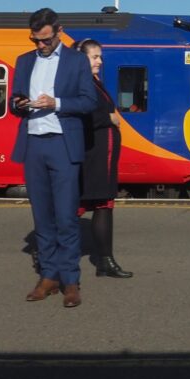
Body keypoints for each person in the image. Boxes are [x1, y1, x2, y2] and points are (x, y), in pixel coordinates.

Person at [11, 8, 97, 308]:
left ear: (59, 31)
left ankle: (70, 281)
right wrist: (19, 103)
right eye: (35, 40)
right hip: (33, 143)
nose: (40, 45)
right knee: (41, 217)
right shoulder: (24, 61)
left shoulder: (76, 61)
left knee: (65, 216)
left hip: (63, 143)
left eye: (45, 40)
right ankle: (48, 276)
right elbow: (13, 102)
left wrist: (56, 102)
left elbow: (89, 101)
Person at [74, 39, 133, 279]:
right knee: (96, 203)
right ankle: (101, 261)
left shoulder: (93, 82)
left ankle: (104, 259)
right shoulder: (82, 83)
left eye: (100, 56)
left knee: (102, 204)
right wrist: (109, 119)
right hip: (95, 154)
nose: (100, 61)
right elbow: (82, 115)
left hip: (102, 153)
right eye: (94, 57)